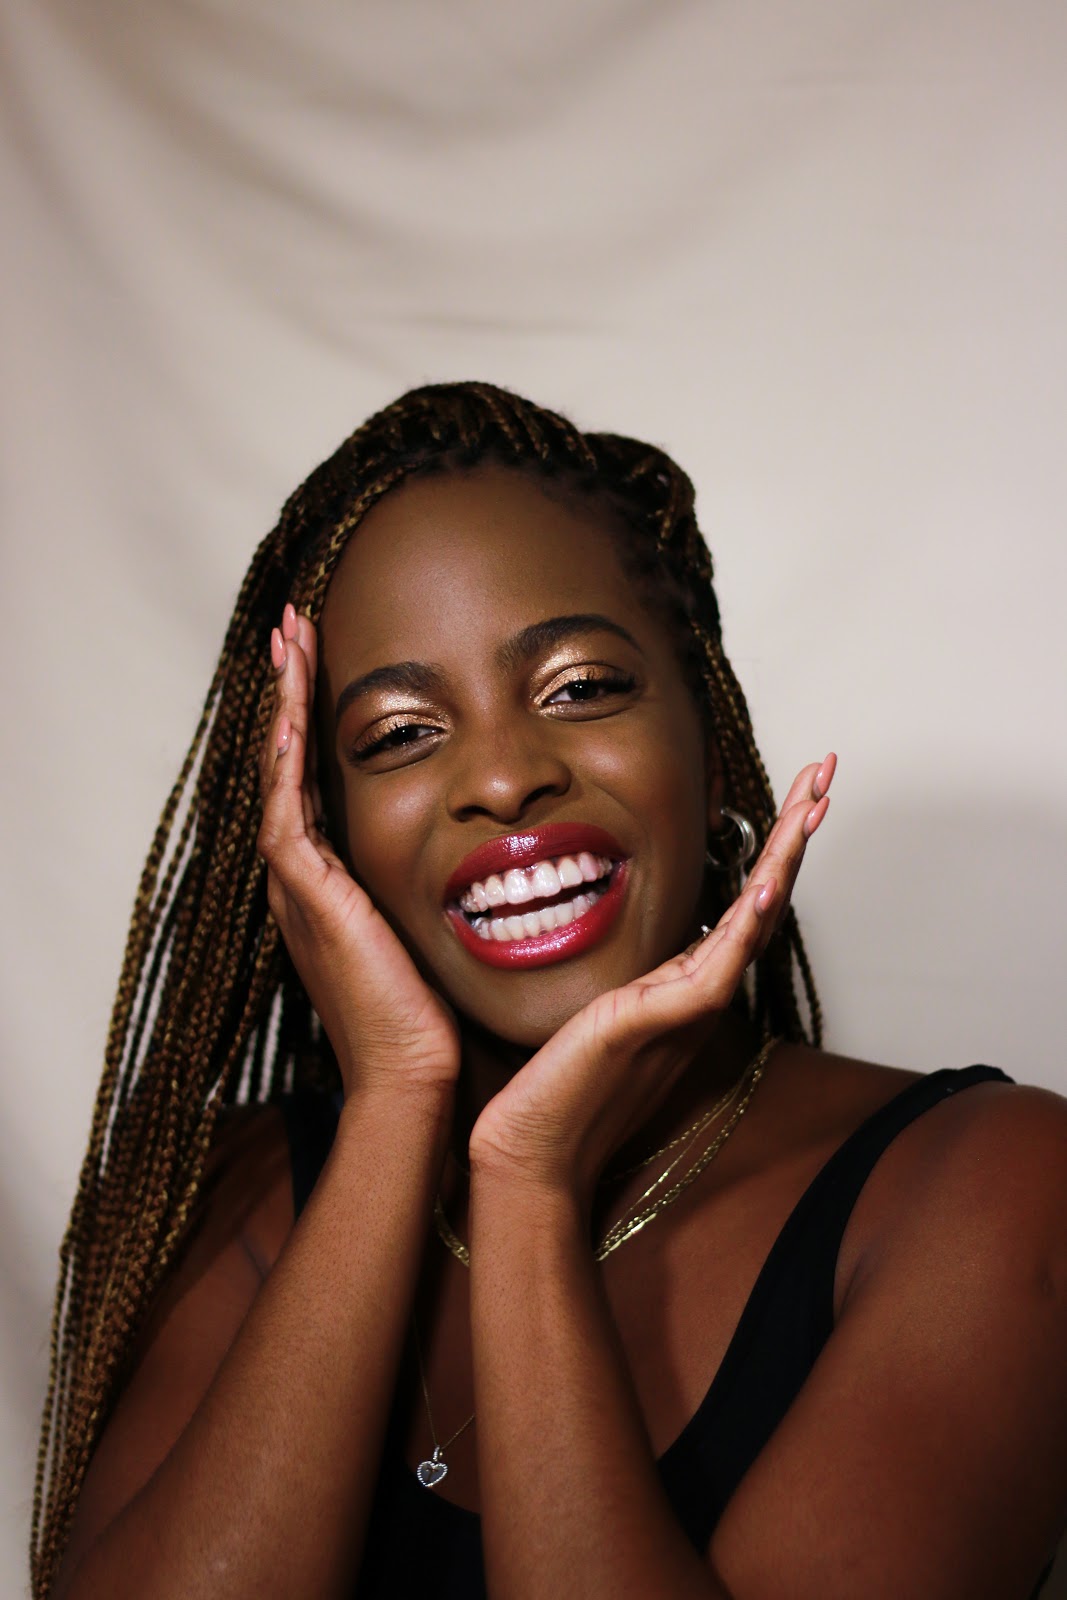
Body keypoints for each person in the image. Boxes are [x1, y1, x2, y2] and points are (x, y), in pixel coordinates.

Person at [34, 382, 1067, 1600]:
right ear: (320, 826)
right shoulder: (231, 1195)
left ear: (708, 746)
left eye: (579, 686)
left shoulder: (991, 1183)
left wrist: (528, 1183)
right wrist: (394, 1099)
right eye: (398, 733)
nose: (504, 777)